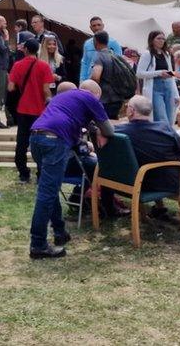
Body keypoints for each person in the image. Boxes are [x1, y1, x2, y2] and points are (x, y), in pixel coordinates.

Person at [28, 81, 113, 258]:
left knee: (49, 188)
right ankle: (38, 245)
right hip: (54, 140)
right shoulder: (91, 97)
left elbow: (71, 125)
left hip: (36, 136)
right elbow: (109, 130)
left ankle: (60, 232)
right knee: (46, 193)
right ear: (96, 94)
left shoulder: (64, 97)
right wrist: (98, 129)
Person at [115, 95, 180, 220]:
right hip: (171, 180)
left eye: (127, 107)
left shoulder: (121, 131)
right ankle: (171, 211)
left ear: (131, 111)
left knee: (148, 160)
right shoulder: (166, 128)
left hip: (138, 181)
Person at [9, 39, 54, 183]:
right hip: (39, 110)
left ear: (26, 50)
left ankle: (23, 173)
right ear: (38, 50)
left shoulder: (17, 65)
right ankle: (41, 173)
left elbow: (10, 87)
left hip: (22, 108)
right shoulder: (44, 66)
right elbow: (46, 90)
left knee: (21, 141)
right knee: (40, 141)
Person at [135, 31, 179, 125]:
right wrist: (158, 73)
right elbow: (139, 73)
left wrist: (176, 93)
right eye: (158, 38)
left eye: (163, 39)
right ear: (152, 40)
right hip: (155, 87)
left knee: (170, 115)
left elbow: (171, 73)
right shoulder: (147, 54)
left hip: (168, 85)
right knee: (160, 115)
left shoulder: (166, 54)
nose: (161, 41)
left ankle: (169, 135)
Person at [90, 31, 128, 119]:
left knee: (105, 125)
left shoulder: (99, 56)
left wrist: (91, 89)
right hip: (118, 98)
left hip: (105, 99)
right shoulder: (114, 55)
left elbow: (96, 77)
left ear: (95, 41)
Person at [79, 16, 124, 83]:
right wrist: (82, 80)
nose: (97, 27)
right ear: (90, 28)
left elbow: (119, 63)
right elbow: (85, 63)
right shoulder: (87, 44)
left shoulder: (114, 43)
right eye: (94, 25)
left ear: (103, 26)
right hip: (89, 81)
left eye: (99, 25)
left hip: (108, 82)